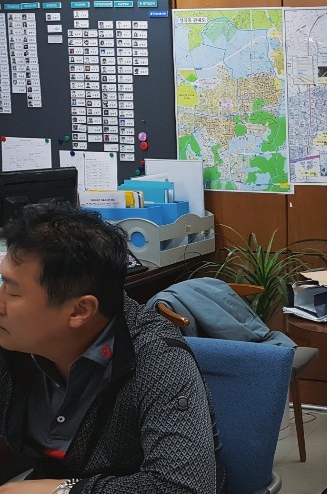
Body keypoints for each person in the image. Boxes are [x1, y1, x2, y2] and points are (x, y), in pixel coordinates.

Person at [0, 203, 224, 493]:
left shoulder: (157, 358)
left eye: (12, 290)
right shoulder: (15, 340)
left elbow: (184, 488)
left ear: (79, 310)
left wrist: (65, 490)